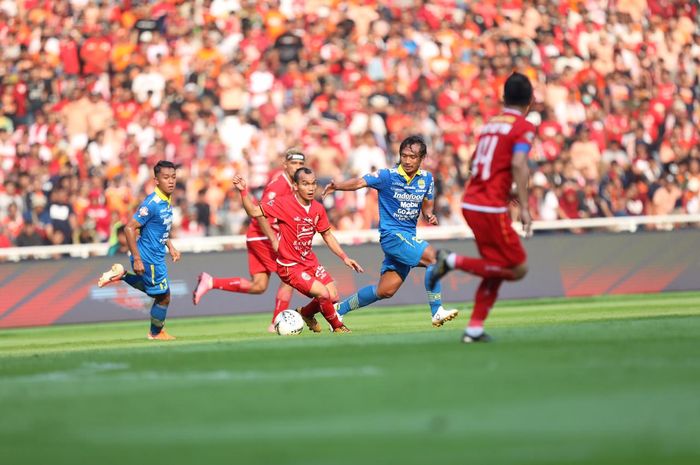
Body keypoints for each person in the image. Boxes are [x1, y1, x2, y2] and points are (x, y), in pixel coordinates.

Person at [428, 72, 536, 343]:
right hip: (490, 207)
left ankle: (474, 327)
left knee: (496, 266)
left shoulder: (490, 125)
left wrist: (503, 189)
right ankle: (451, 260)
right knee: (518, 268)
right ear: (531, 100)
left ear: (503, 98)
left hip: (473, 202)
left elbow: (475, 164)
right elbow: (519, 164)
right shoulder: (523, 126)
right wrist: (523, 204)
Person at [322, 135, 459, 327]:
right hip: (392, 236)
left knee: (385, 290)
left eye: (413, 157)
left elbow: (427, 205)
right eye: (404, 156)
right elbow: (360, 182)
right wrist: (338, 186)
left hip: (408, 237)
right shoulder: (387, 176)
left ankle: (338, 311)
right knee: (435, 259)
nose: (408, 160)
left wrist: (429, 215)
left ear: (421, 158)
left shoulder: (427, 179)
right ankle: (436, 311)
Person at [233, 167, 363, 333]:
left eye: (313, 184)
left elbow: (328, 235)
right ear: (295, 185)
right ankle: (338, 327)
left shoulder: (318, 208)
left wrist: (345, 257)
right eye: (305, 184)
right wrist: (243, 191)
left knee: (333, 295)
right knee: (322, 294)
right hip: (289, 265)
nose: (310, 188)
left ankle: (306, 313)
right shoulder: (283, 203)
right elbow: (253, 211)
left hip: (309, 261)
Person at [192, 149, 305, 333]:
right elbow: (261, 214)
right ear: (285, 165)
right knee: (290, 276)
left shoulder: (294, 185)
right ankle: (276, 323)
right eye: (294, 163)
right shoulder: (278, 186)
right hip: (263, 236)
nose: (298, 167)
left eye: (301, 164)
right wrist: (274, 239)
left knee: (259, 286)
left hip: (257, 236)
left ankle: (210, 282)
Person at [97, 160, 181, 340]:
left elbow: (159, 228)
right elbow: (129, 228)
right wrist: (137, 258)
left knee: (160, 293)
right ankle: (155, 333)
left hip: (156, 254)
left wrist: (171, 246)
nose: (171, 181)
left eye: (173, 177)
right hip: (148, 256)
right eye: (166, 177)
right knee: (163, 297)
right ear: (156, 180)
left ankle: (121, 275)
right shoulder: (152, 203)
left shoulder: (166, 199)